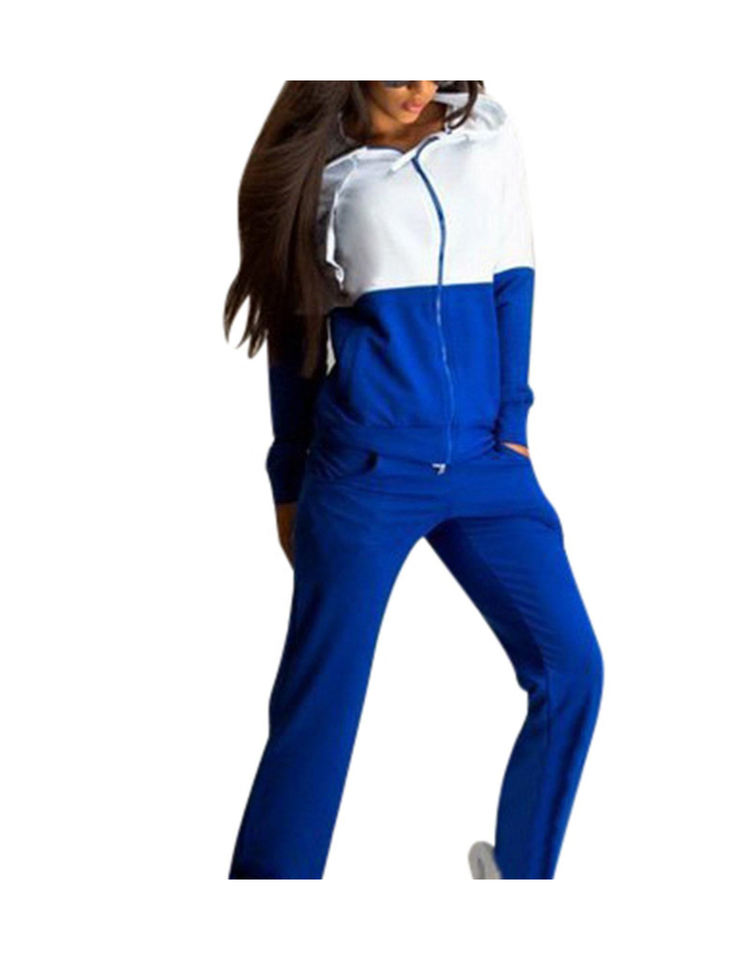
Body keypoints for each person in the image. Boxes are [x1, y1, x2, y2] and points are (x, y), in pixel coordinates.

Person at [222, 81, 604, 879]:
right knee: (318, 714)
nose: (420, 88)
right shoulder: (322, 172)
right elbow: (294, 340)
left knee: (572, 668)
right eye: (400, 68)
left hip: (486, 464)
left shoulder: (486, 134)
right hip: (365, 472)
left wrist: (514, 430)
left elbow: (513, 280)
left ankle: (520, 880)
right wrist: (288, 479)